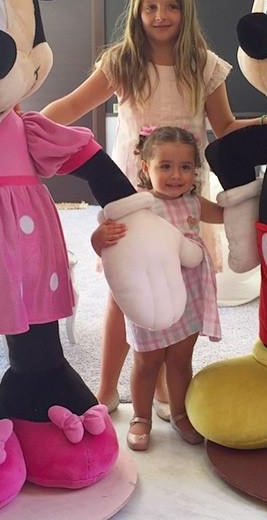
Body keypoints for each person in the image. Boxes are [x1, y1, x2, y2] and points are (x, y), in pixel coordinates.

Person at [41, 0, 267, 417]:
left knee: (177, 287)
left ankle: (166, 390)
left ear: (184, 10)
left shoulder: (204, 66)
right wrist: (25, 127)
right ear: (138, 11)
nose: (160, 15)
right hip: (132, 196)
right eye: (150, 7)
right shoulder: (121, 63)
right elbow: (69, 107)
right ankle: (106, 389)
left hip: (185, 192)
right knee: (124, 294)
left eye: (170, 6)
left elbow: (226, 127)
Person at [92, 126, 223, 450]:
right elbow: (107, 243)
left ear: (196, 171)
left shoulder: (194, 203)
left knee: (180, 360)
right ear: (145, 167)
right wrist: (99, 238)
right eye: (165, 166)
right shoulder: (138, 207)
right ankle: (141, 417)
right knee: (147, 362)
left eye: (185, 167)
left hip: (189, 295)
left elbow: (226, 214)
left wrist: (252, 196)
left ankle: (179, 413)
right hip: (149, 296)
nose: (176, 175)